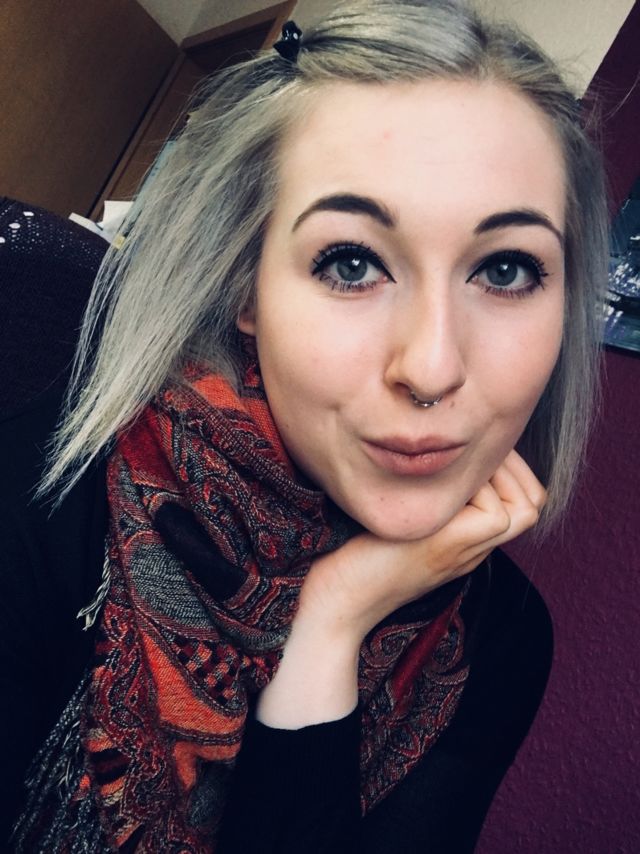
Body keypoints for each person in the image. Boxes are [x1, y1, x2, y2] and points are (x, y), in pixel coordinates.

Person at [1, 0, 608, 850]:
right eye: (351, 263)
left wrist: (332, 624)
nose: (433, 367)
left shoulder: (502, 639)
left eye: (506, 269)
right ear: (246, 290)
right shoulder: (47, 496)